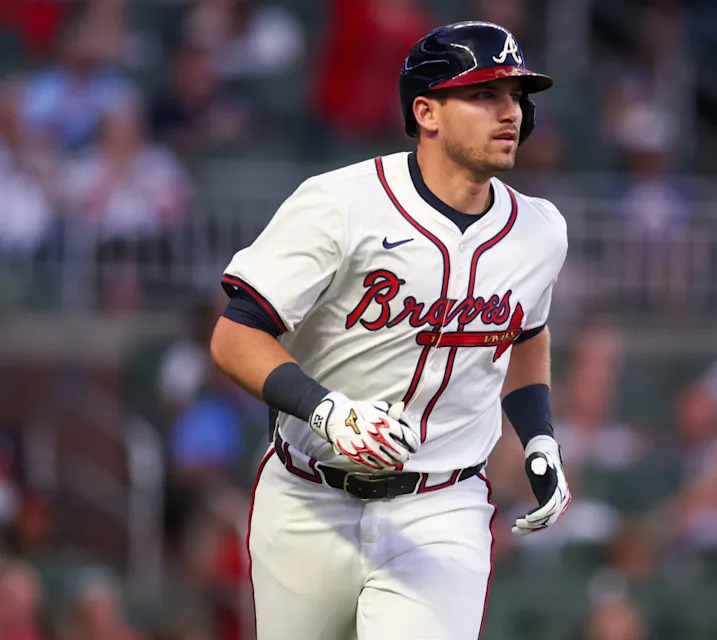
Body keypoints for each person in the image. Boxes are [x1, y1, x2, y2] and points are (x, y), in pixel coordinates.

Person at [209, 21, 571, 639]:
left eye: (516, 96)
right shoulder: (339, 203)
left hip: (442, 504)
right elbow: (234, 337)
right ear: (426, 111)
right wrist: (327, 412)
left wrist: (538, 437)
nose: (509, 111)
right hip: (308, 497)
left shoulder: (540, 231)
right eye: (485, 94)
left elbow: (527, 335)